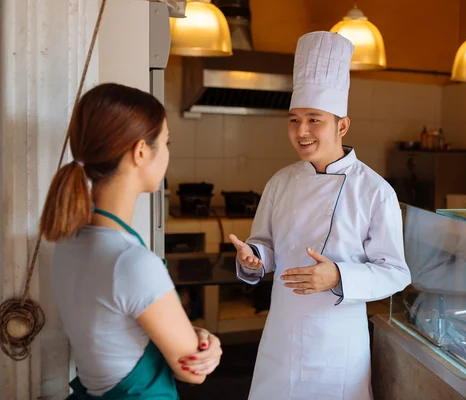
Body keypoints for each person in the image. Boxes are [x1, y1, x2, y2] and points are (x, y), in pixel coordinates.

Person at [229, 31, 411, 400]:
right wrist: (254, 258)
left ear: (342, 125)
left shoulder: (375, 191)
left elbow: (396, 273)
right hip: (282, 334)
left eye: (314, 120)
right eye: (294, 120)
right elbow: (265, 245)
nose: (302, 131)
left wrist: (338, 275)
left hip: (337, 342)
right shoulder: (280, 182)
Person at [39, 83, 222, 399]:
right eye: (165, 142)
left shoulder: (69, 240)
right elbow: (193, 373)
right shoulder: (131, 261)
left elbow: (119, 334)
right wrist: (210, 349)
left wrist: (186, 333)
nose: (166, 153)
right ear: (140, 152)